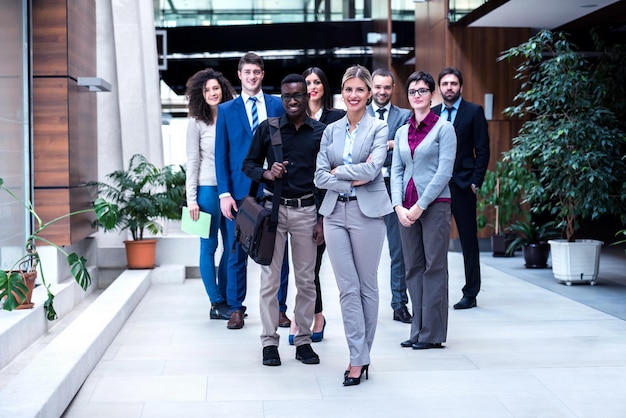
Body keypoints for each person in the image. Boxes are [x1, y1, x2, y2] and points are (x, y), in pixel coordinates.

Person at [314, 65, 392, 386]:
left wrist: (338, 172)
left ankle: (361, 355)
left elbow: (373, 170)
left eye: (360, 89)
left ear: (370, 93)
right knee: (347, 289)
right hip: (334, 214)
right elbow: (319, 176)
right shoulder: (330, 130)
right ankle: (357, 357)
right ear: (342, 93)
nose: (353, 95)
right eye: (348, 89)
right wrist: (349, 175)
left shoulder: (378, 128)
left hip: (368, 214)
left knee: (366, 287)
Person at [243, 73, 325, 367]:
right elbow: (248, 165)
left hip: (307, 212)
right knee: (269, 281)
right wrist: (267, 173)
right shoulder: (269, 128)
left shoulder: (320, 132)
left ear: (307, 97)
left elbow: (326, 180)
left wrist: (322, 220)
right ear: (282, 98)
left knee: (306, 281)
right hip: (274, 213)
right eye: (287, 96)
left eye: (298, 95)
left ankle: (303, 340)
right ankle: (269, 342)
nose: (292, 101)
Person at [215, 52, 290, 329]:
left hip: (273, 189)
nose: (252, 76)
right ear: (239, 75)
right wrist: (224, 193)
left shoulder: (277, 106)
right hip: (238, 193)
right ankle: (236, 308)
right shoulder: (225, 110)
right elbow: (220, 155)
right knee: (236, 251)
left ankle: (280, 309)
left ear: (262, 74)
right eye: (247, 72)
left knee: (278, 253)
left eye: (256, 72)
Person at [391, 71, 457, 350]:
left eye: (422, 90)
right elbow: (395, 170)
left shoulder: (444, 128)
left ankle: (432, 333)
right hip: (405, 209)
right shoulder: (402, 131)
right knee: (413, 269)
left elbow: (444, 172)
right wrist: (398, 207)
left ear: (433, 95)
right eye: (412, 91)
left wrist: (420, 206)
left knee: (435, 268)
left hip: (434, 207)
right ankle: (417, 329)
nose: (417, 95)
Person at [287, 67, 346, 345]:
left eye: (316, 82)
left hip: (326, 198)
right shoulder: (292, 115)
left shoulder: (336, 118)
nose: (312, 87)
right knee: (304, 267)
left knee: (313, 265)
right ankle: (310, 315)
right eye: (307, 82)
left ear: (324, 86)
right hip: (299, 198)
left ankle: (314, 315)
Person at [433, 67, 490, 310]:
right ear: (439, 88)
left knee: (468, 241)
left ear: (461, 87)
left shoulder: (474, 111)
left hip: (463, 185)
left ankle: (471, 292)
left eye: (453, 83)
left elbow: (483, 150)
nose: (449, 87)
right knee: (434, 242)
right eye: (445, 83)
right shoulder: (433, 113)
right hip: (435, 187)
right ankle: (435, 292)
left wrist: (475, 182)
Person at [184, 68, 235, 320]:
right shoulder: (196, 122)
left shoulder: (231, 117)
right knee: (208, 247)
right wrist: (191, 199)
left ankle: (226, 299)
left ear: (222, 90)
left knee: (232, 246)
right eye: (207, 90)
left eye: (215, 88)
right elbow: (192, 162)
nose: (212, 93)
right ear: (200, 95)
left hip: (230, 193)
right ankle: (216, 302)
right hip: (206, 192)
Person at [367, 68, 412, 324]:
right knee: (366, 253)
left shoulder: (404, 116)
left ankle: (399, 304)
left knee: (399, 251)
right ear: (371, 88)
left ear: (393, 88)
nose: (382, 92)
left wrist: (389, 145)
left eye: (386, 87)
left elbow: (406, 148)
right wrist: (392, 143)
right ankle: (366, 304)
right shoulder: (361, 114)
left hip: (396, 189)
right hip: (368, 189)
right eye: (378, 87)